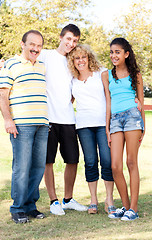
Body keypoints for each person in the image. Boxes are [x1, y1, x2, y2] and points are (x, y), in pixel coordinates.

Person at [0, 30, 49, 223]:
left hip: (42, 124)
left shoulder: (43, 66)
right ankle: (17, 208)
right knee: (21, 167)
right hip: (21, 124)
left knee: (37, 167)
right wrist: (8, 120)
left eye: (39, 45)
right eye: (32, 44)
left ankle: (30, 206)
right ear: (23, 44)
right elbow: (3, 95)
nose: (36, 49)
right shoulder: (10, 64)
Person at [37, 24, 88, 215]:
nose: (71, 43)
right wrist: (3, 64)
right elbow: (25, 58)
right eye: (68, 39)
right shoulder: (46, 55)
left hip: (68, 118)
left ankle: (68, 199)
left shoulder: (73, 60)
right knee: (48, 160)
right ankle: (54, 201)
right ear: (61, 37)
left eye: (75, 40)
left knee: (73, 159)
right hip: (48, 118)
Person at [67, 44, 116, 214]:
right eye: (77, 58)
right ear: (72, 61)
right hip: (83, 126)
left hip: (103, 124)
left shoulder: (101, 73)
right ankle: (93, 199)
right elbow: (67, 100)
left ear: (89, 58)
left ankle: (109, 198)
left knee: (107, 161)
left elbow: (111, 96)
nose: (80, 61)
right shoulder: (72, 80)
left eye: (83, 57)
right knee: (90, 161)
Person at [102, 38, 145, 221]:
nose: (114, 55)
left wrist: (143, 127)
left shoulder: (136, 74)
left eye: (117, 52)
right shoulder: (106, 75)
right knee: (115, 166)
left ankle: (133, 209)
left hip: (133, 118)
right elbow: (108, 102)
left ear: (126, 54)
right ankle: (125, 206)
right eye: (112, 52)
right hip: (116, 121)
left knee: (131, 162)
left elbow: (141, 103)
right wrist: (107, 126)